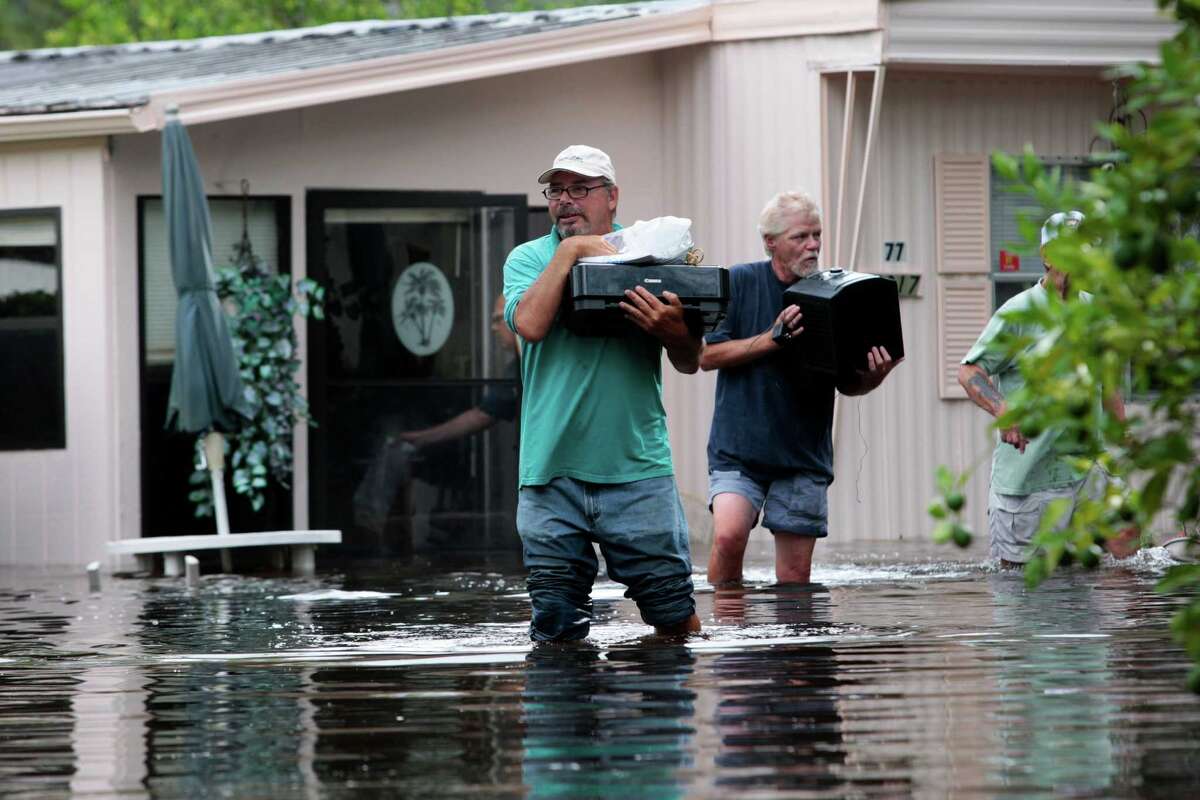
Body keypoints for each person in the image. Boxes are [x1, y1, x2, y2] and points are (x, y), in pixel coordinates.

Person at [502, 144, 704, 641]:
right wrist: (571, 251)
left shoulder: (652, 255)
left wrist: (673, 328)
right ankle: (563, 716)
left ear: (612, 197)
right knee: (555, 624)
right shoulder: (529, 259)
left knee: (673, 615)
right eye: (556, 190)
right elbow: (528, 324)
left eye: (580, 188)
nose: (566, 200)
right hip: (550, 473)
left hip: (636, 468)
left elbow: (690, 360)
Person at [701, 190, 901, 586]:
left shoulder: (837, 292)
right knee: (728, 536)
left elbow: (848, 384)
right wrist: (771, 339)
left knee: (794, 577)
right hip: (739, 450)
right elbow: (708, 357)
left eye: (817, 234)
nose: (813, 245)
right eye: (800, 237)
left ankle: (792, 650)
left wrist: (874, 376)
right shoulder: (740, 281)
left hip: (803, 456)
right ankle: (727, 637)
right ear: (770, 243)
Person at [958, 211, 1132, 567]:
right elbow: (969, 372)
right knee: (1023, 594)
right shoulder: (1019, 314)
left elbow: (1109, 387)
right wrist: (1004, 413)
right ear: (1048, 256)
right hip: (1028, 480)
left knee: (1126, 568)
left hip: (1088, 473)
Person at [399, 295, 520, 449]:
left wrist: (423, 438)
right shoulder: (519, 365)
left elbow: (481, 416)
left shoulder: (525, 365)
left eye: (498, 319)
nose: (493, 328)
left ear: (518, 317)